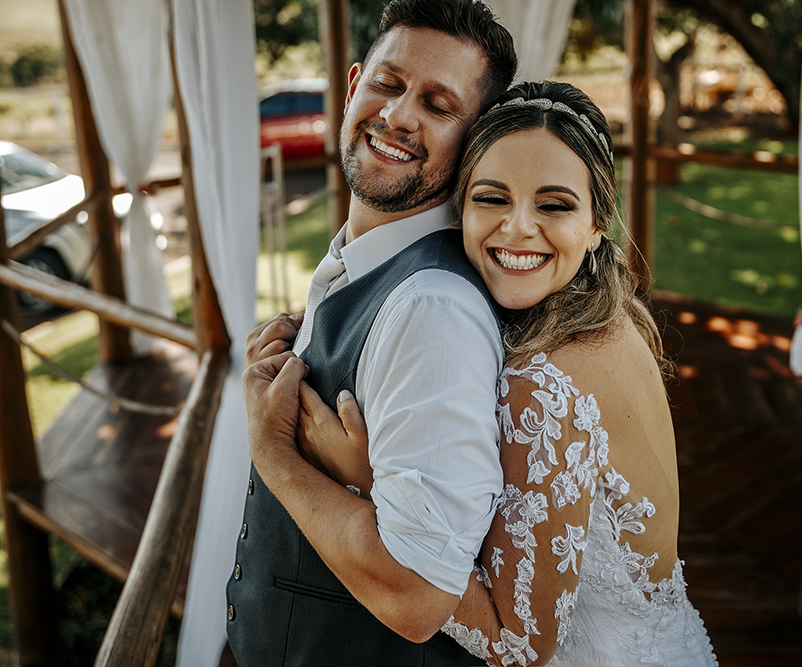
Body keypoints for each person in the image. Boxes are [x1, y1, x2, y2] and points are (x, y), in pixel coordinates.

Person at [279, 81, 720, 666]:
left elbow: (520, 645)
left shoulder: (542, 385)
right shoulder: (613, 320)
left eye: (554, 205)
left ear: (597, 225)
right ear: (461, 208)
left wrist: (364, 482)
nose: (516, 228)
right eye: (492, 198)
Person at [228, 1, 516, 665]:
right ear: (354, 83)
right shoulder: (367, 260)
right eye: (388, 84)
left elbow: (418, 596)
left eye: (438, 104)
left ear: (474, 142)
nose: (398, 115)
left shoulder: (433, 308)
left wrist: (272, 451)